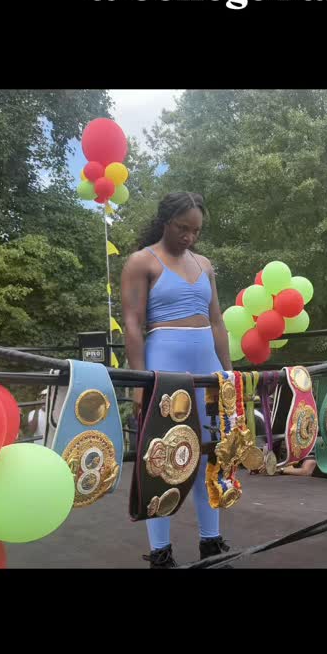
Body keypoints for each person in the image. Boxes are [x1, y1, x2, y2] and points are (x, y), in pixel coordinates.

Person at [121, 192, 232, 568]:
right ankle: (160, 552)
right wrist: (140, 381)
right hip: (164, 363)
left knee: (209, 457)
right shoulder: (141, 261)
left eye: (196, 230)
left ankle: (211, 543)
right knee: (163, 457)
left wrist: (228, 373)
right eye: (183, 228)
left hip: (207, 365)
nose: (190, 236)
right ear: (165, 221)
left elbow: (217, 321)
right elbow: (133, 323)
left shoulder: (204, 264)